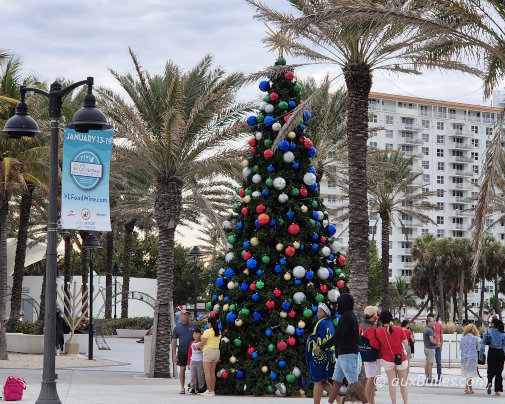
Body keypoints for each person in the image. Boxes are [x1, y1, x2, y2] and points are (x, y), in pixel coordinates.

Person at [314, 293, 368, 404]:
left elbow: (338, 336)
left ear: (344, 303)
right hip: (343, 354)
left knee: (354, 381)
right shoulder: (348, 315)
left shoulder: (347, 317)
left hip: (347, 354)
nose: (338, 306)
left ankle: (366, 402)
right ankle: (330, 403)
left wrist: (321, 347)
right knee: (336, 381)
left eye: (339, 303)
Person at [369, 310, 408, 404]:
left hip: (387, 360)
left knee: (392, 383)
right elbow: (406, 344)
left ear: (381, 320)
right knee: (403, 384)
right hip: (401, 359)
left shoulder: (377, 331)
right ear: (391, 318)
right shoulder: (399, 329)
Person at [306, 303, 339, 404]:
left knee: (317, 381)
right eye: (318, 311)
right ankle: (339, 399)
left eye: (320, 311)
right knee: (324, 381)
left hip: (319, 356)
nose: (318, 313)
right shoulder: (330, 323)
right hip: (329, 356)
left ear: (326, 313)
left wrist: (309, 339)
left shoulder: (321, 323)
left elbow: (316, 338)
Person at [172, 309, 198, 394]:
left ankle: (194, 387)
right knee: (182, 369)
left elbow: (199, 338)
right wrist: (174, 354)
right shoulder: (177, 328)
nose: (186, 316)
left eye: (187, 315)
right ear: (181, 316)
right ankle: (182, 388)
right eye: (184, 315)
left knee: (193, 370)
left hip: (193, 352)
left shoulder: (194, 326)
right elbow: (174, 341)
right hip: (182, 351)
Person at [194, 316, 221, 397]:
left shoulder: (207, 331)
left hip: (208, 352)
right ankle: (212, 391)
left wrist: (196, 346)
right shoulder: (218, 331)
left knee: (207, 373)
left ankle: (209, 390)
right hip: (216, 352)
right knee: (212, 372)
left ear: (209, 323)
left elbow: (203, 342)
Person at [479, 317, 505, 396]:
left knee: (490, 370)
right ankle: (497, 390)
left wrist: (481, 354)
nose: (490, 324)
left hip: (491, 352)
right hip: (500, 353)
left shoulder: (488, 332)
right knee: (499, 372)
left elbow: (483, 344)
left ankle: (489, 382)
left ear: (493, 324)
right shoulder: (503, 334)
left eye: (491, 323)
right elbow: (504, 346)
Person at [361, 306, 380, 404]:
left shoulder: (362, 325)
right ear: (373, 317)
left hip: (364, 354)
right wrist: (380, 347)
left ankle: (372, 402)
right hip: (371, 356)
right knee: (371, 379)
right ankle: (367, 401)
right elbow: (374, 344)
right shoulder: (370, 328)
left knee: (371, 380)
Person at [460, 324, 480, 394]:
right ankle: (467, 388)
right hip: (472, 358)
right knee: (470, 374)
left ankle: (470, 388)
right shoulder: (475, 338)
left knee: (468, 374)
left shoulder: (462, 338)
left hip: (464, 358)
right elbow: (478, 348)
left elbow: (460, 347)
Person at [187, 328, 205, 394]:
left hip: (200, 360)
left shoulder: (201, 343)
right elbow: (189, 353)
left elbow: (203, 351)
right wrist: (188, 363)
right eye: (194, 333)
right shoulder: (191, 343)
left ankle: (201, 388)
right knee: (193, 375)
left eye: (197, 333)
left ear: (200, 334)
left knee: (200, 375)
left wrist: (200, 347)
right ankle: (192, 388)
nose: (195, 335)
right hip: (193, 360)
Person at [423, 314, 437, 383]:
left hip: (426, 348)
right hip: (430, 348)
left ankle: (427, 377)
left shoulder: (426, 329)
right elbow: (431, 340)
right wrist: (437, 343)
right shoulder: (430, 330)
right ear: (429, 322)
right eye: (432, 321)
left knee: (427, 363)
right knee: (430, 364)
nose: (434, 322)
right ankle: (430, 378)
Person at [434, 315, 443, 383]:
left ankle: (439, 375)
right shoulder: (429, 326)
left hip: (438, 347)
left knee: (439, 362)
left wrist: (441, 345)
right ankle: (429, 376)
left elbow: (441, 335)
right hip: (431, 347)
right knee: (429, 362)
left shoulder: (439, 325)